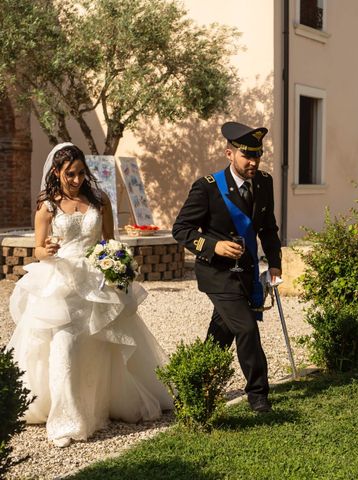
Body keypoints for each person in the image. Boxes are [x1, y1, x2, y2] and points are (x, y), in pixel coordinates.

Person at [7, 143, 172, 448]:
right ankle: (66, 420)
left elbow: (110, 242)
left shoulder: (100, 200)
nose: (77, 179)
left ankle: (99, 405)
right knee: (64, 347)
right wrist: (48, 251)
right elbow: (39, 248)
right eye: (70, 173)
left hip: (97, 283)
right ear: (56, 172)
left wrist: (117, 264)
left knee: (99, 345)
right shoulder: (47, 206)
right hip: (61, 284)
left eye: (81, 172)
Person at [172, 121, 282, 413]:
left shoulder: (264, 182)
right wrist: (213, 246)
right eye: (247, 156)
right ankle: (258, 395)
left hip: (246, 272)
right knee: (246, 328)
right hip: (217, 274)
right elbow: (181, 229)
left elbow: (268, 228)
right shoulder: (207, 188)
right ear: (229, 154)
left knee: (221, 333)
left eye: (257, 156)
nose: (253, 162)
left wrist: (275, 264)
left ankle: (197, 386)